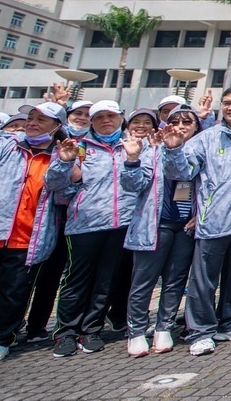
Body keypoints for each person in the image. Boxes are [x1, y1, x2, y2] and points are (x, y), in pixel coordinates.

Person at [161, 87, 231, 356]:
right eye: (227, 103)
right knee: (204, 280)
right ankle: (200, 330)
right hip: (214, 221)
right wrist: (173, 149)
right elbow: (182, 173)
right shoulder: (206, 139)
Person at [47, 100, 138, 357]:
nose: (105, 121)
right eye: (99, 117)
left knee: (106, 281)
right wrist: (64, 163)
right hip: (84, 225)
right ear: (91, 121)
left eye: (111, 116)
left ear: (121, 118)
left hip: (122, 224)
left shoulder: (132, 145)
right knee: (76, 280)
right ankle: (66, 332)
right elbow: (53, 184)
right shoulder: (78, 146)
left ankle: (92, 329)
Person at [122, 104, 199, 357]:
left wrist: (199, 214)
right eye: (175, 121)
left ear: (196, 127)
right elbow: (133, 185)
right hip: (155, 224)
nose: (181, 126)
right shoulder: (151, 150)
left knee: (176, 280)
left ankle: (163, 327)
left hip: (186, 226)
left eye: (188, 122)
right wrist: (132, 159)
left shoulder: (199, 150)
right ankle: (136, 330)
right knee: (143, 281)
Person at [0, 102, 65, 362]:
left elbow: (64, 193)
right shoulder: (8, 145)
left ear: (57, 126)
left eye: (42, 120)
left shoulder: (61, 155)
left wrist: (65, 162)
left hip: (28, 238)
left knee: (13, 292)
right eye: (31, 118)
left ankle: (2, 338)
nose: (33, 123)